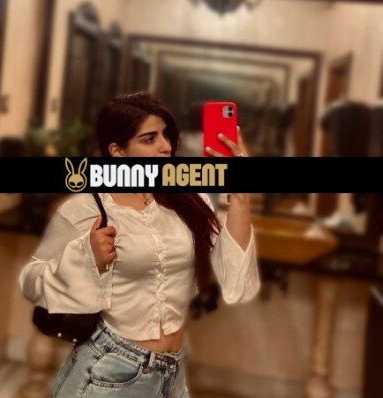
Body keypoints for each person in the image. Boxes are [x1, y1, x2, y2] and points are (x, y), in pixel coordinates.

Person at [18, 92, 260, 398]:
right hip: (108, 372)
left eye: (166, 135)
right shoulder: (89, 206)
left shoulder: (189, 199)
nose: (165, 146)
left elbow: (236, 280)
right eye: (149, 139)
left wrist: (240, 196)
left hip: (172, 372)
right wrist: (85, 258)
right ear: (117, 151)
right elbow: (31, 281)